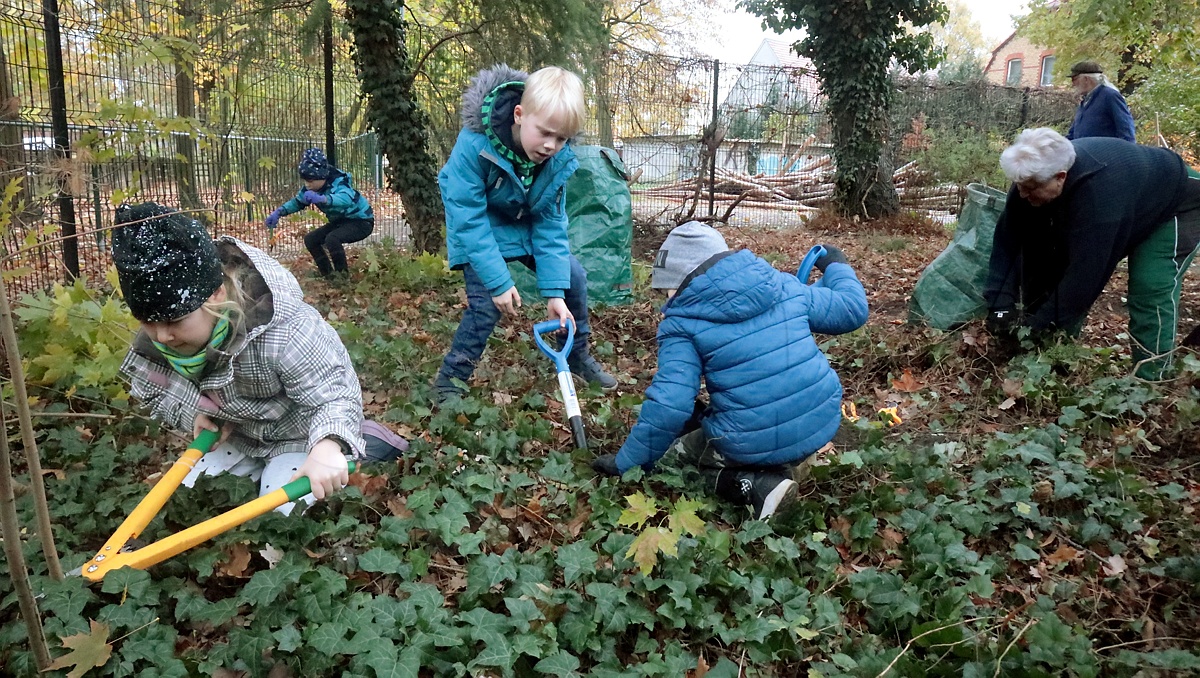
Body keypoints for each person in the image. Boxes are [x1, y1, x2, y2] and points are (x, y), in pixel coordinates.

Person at [114, 202, 407, 515]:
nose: (161, 336)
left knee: (284, 511)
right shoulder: (160, 340)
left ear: (215, 295)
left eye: (174, 321)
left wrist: (325, 446)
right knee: (190, 493)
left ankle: (361, 441)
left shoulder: (283, 331)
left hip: (299, 437)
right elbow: (158, 390)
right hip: (242, 437)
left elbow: (333, 392)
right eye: (148, 321)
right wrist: (194, 414)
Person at [590, 222, 869, 520]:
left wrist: (628, 464)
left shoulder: (681, 323)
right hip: (822, 419)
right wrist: (836, 265)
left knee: (671, 458)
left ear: (682, 280)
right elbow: (852, 309)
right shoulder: (782, 285)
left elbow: (670, 406)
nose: (666, 301)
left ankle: (759, 486)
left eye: (666, 290)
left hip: (755, 438)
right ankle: (795, 460)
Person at [432, 64, 616, 401]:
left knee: (573, 277)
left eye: (561, 138)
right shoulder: (474, 146)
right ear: (519, 114)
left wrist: (554, 292)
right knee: (486, 304)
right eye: (544, 133)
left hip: (523, 225)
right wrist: (499, 282)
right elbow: (469, 219)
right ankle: (450, 380)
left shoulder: (556, 160)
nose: (551, 146)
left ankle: (576, 355)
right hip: (479, 228)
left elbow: (550, 225)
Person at [984, 128, 1200, 379]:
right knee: (1043, 259)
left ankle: (1151, 379)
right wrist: (1000, 305)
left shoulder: (1099, 201)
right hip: (1132, 196)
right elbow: (1008, 241)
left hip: (1177, 202)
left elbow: (1084, 279)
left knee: (1149, 285)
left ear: (1060, 177)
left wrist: (1035, 328)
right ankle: (1057, 354)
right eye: (1019, 187)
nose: (1023, 194)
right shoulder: (1031, 176)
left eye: (1030, 189)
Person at [265, 147, 374, 278]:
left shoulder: (339, 182)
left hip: (361, 221)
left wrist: (324, 199)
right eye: (305, 180)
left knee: (332, 239)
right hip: (340, 222)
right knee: (311, 239)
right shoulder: (309, 189)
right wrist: (279, 212)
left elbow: (345, 199)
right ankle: (328, 275)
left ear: (322, 177)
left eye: (310, 181)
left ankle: (342, 278)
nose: (307, 184)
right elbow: (297, 202)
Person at [1066, 61, 1135, 142]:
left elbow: (1126, 130)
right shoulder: (1085, 102)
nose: (1072, 84)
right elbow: (1073, 134)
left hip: (1104, 153)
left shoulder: (1110, 96)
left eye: (1074, 79)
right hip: (1086, 153)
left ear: (1086, 79)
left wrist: (1127, 152)